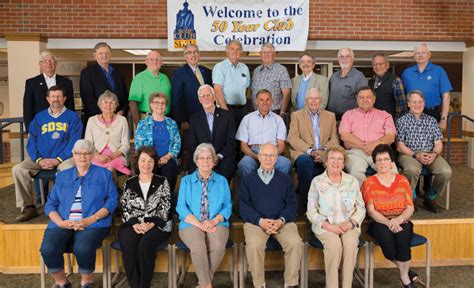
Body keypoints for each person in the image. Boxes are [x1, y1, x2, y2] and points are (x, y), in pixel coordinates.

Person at [39, 139, 118, 288]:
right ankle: (62, 282)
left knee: (82, 247)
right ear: (73, 155)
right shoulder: (62, 176)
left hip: (94, 223)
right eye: (79, 153)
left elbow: (112, 201)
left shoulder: (104, 174)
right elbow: (50, 203)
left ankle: (86, 281)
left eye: (87, 153)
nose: (83, 157)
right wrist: (60, 222)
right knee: (48, 248)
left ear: (93, 155)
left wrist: (91, 219)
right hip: (63, 221)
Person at [13, 85, 82, 222]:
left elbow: (74, 142)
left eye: (58, 96)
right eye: (52, 96)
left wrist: (58, 159)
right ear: (47, 99)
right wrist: (38, 160)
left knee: (68, 169)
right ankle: (28, 207)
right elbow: (31, 142)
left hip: (64, 159)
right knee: (18, 169)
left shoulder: (73, 117)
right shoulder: (39, 117)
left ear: (64, 99)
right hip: (41, 158)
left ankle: (62, 205)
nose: (55, 99)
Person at [239, 143, 302, 288]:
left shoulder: (285, 179)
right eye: (265, 155)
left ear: (276, 158)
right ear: (259, 157)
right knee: (254, 245)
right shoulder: (248, 179)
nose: (268, 158)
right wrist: (260, 221)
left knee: (295, 242)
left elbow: (292, 205)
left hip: (282, 222)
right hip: (256, 223)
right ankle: (259, 284)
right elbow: (244, 207)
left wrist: (280, 221)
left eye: (272, 155)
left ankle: (291, 283)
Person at [306, 146, 366, 288]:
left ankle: (346, 285)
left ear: (344, 163)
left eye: (339, 159)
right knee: (334, 246)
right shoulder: (317, 182)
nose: (335, 162)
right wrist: (328, 225)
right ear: (325, 162)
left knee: (350, 244)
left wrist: (352, 223)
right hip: (326, 226)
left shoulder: (352, 181)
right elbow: (311, 211)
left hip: (348, 224)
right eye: (332, 158)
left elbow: (361, 207)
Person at [176, 143, 232, 288]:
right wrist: (199, 224)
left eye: (209, 158)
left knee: (219, 246)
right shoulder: (186, 181)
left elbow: (227, 207)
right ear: (196, 161)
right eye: (202, 158)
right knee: (198, 247)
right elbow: (181, 207)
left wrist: (213, 221)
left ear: (214, 162)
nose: (205, 161)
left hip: (217, 222)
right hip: (191, 223)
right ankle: (207, 284)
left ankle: (203, 283)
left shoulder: (222, 181)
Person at [361, 144, 416, 288]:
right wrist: (389, 222)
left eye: (386, 159)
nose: (383, 163)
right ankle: (406, 270)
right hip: (379, 222)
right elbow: (371, 211)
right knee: (390, 249)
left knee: (403, 244)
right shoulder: (369, 183)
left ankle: (404, 277)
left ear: (391, 162)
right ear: (375, 163)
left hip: (402, 219)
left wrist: (398, 220)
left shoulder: (403, 180)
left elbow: (410, 207)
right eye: (379, 160)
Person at [119, 146, 172, 288]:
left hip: (158, 225)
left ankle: (144, 285)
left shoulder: (162, 181)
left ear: (155, 163)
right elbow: (126, 207)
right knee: (129, 247)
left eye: (150, 161)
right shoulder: (129, 183)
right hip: (132, 224)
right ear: (137, 162)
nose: (146, 164)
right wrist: (135, 223)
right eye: (143, 160)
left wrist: (150, 224)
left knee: (144, 246)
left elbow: (165, 207)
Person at [396, 90, 452, 213]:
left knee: (446, 171)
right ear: (409, 104)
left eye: (420, 102)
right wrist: (416, 155)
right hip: (409, 154)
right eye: (414, 102)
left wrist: (434, 154)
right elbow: (399, 146)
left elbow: (438, 143)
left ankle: (430, 197)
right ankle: (411, 198)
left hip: (430, 153)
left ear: (424, 103)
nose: (417, 105)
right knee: (411, 170)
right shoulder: (401, 121)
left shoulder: (432, 121)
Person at [287, 88, 339, 209]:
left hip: (325, 154)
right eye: (311, 98)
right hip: (305, 153)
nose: (313, 101)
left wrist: (324, 152)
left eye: (316, 98)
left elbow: (335, 139)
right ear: (306, 100)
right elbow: (292, 138)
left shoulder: (330, 116)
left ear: (321, 100)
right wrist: (311, 151)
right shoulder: (296, 115)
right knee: (305, 161)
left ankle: (330, 204)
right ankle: (307, 204)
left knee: (336, 161)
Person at [339, 86, 397, 185]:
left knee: (392, 173)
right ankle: (362, 198)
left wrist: (374, 145)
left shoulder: (385, 115)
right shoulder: (348, 115)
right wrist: (365, 146)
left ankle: (385, 199)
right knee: (355, 171)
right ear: (357, 99)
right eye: (361, 97)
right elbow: (344, 135)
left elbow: (391, 136)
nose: (365, 100)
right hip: (355, 152)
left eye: (368, 97)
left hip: (380, 151)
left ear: (374, 99)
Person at [236, 89, 291, 177]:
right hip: (253, 152)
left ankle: (278, 190)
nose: (264, 102)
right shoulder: (247, 119)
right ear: (256, 102)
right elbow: (243, 146)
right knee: (245, 164)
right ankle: (249, 190)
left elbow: (281, 145)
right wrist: (256, 156)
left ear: (272, 101)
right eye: (261, 100)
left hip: (272, 152)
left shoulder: (278, 120)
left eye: (267, 99)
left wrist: (271, 156)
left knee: (285, 163)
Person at [188, 84, 236, 181]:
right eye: (203, 96)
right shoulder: (194, 118)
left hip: (222, 157)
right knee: (194, 172)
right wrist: (204, 158)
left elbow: (231, 141)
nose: (206, 98)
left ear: (214, 97)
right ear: (199, 100)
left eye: (208, 95)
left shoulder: (227, 116)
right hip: (202, 158)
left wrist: (218, 156)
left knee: (226, 169)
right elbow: (192, 144)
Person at [135, 92, 181, 192]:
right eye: (156, 102)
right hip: (148, 158)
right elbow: (139, 145)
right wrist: (152, 159)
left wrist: (168, 156)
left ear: (166, 106)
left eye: (163, 103)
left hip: (167, 158)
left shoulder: (172, 123)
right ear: (151, 105)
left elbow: (177, 143)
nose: (160, 105)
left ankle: (167, 200)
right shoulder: (143, 124)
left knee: (170, 169)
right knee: (145, 169)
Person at [401, 43, 452, 129]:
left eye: (423, 52)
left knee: (433, 142)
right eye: (418, 53)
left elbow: (446, 96)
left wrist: (444, 118)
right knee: (411, 142)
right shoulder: (407, 73)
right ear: (414, 56)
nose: (420, 55)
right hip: (412, 115)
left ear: (429, 55)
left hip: (432, 113)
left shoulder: (439, 71)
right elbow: (403, 96)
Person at [84, 90, 131, 181]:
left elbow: (126, 145)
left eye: (112, 102)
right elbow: (88, 144)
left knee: (109, 170)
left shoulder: (122, 120)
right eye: (105, 102)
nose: (108, 105)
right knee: (96, 170)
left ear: (116, 105)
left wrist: (112, 156)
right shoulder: (92, 120)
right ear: (100, 105)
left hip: (117, 156)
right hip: (95, 156)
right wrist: (97, 156)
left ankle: (111, 193)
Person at [80, 42, 128, 127]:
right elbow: (88, 99)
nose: (104, 55)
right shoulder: (87, 73)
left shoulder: (118, 72)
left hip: (119, 118)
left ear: (110, 55)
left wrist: (122, 111)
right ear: (95, 55)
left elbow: (125, 95)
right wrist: (106, 116)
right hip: (98, 120)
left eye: (107, 53)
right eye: (101, 53)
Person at [23, 51, 75, 131]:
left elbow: (70, 105)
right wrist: (30, 130)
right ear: (40, 64)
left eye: (51, 60)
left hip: (62, 125)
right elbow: (28, 108)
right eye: (45, 61)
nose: (48, 63)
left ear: (56, 64)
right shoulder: (32, 83)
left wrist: (71, 125)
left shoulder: (67, 82)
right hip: (40, 126)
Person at [172, 44, 213, 129]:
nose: (193, 55)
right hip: (189, 120)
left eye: (195, 52)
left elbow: (211, 94)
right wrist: (182, 121)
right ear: (185, 57)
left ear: (199, 55)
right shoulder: (179, 73)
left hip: (208, 117)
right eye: (189, 53)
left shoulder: (207, 71)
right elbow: (177, 99)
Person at [212, 39, 250, 128]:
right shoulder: (219, 67)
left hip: (242, 110)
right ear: (227, 51)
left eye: (238, 49)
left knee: (242, 139)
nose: (235, 51)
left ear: (241, 52)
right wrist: (225, 112)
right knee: (229, 139)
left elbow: (247, 88)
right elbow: (217, 91)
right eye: (232, 49)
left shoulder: (244, 68)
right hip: (226, 109)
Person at [129, 50, 171, 127]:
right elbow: (133, 103)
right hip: (147, 119)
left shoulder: (165, 78)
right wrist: (139, 125)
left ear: (161, 62)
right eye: (151, 59)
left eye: (158, 59)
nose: (155, 61)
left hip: (166, 119)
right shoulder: (139, 78)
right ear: (146, 62)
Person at [251, 43, 292, 116]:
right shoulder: (256, 71)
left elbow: (286, 94)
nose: (266, 54)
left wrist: (282, 113)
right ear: (260, 54)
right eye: (264, 52)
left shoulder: (281, 70)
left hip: (274, 112)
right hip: (256, 113)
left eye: (269, 52)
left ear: (274, 54)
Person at [327, 48, 368, 120]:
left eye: (347, 56)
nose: (344, 59)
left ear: (352, 59)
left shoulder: (359, 77)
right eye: (341, 57)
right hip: (331, 118)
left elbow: (363, 100)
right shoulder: (334, 76)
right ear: (338, 59)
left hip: (350, 120)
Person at [369, 54, 408, 120]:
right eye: (375, 64)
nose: (378, 66)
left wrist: (396, 122)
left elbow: (402, 107)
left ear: (387, 65)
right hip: (373, 120)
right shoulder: (371, 81)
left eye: (381, 64)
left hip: (389, 121)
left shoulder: (395, 81)